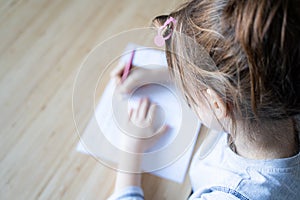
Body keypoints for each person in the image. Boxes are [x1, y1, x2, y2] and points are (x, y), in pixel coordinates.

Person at [108, 0, 300, 199]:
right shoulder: (287, 90)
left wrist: (131, 150)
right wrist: (172, 73)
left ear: (217, 104)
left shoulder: (231, 195)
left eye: (190, 97)